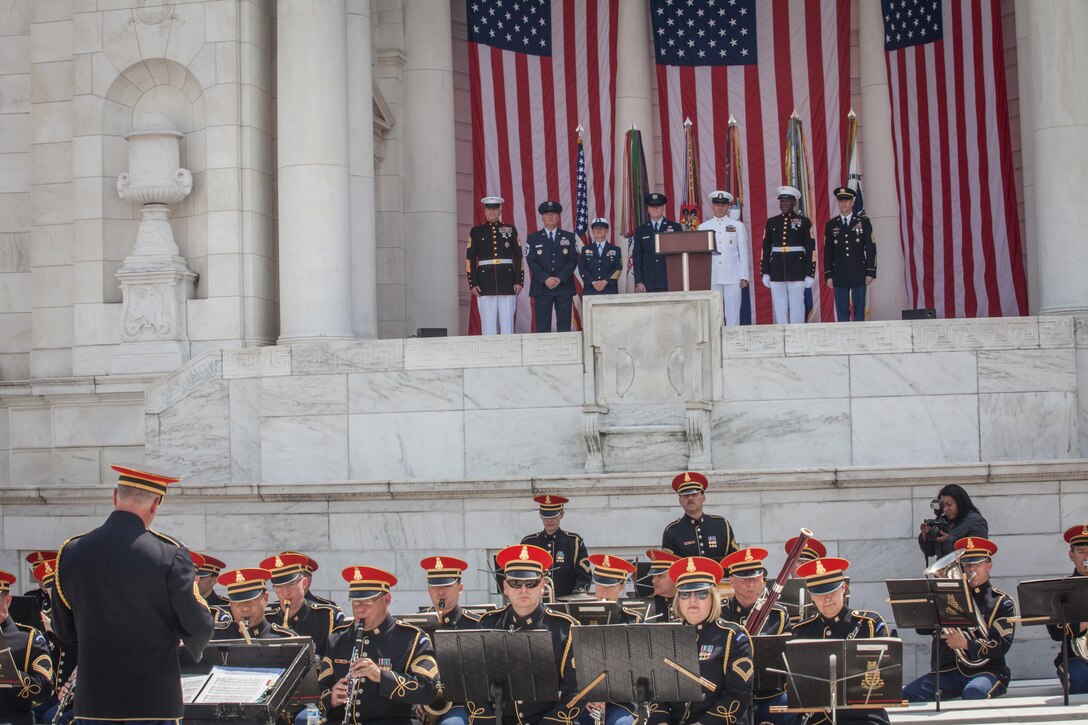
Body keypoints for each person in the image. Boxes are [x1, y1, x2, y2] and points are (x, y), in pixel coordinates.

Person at [50, 463, 214, 723]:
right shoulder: (170, 554)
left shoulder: (71, 552)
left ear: (115, 497)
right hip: (153, 704)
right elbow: (199, 625)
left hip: (94, 704)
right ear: (155, 504)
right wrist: (190, 643)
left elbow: (64, 629)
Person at [319, 566, 438, 725]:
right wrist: (331, 698)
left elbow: (428, 689)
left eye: (367, 602)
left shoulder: (412, 638)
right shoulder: (337, 639)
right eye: (355, 603)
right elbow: (320, 690)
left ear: (386, 600)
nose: (360, 610)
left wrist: (381, 676)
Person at [903, 537, 1017, 702]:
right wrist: (928, 606)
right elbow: (922, 630)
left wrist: (965, 644)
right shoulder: (948, 598)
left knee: (974, 692)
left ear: (989, 566)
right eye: (967, 564)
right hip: (950, 671)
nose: (972, 569)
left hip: (987, 670)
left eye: (977, 564)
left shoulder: (1001, 602)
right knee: (908, 694)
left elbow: (1001, 645)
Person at [476, 544, 580, 725]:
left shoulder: (564, 628)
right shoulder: (487, 625)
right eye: (515, 583)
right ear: (505, 587)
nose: (523, 589)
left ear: (542, 586)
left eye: (530, 583)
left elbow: (575, 691)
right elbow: (472, 685)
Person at [647, 556, 753, 725]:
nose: (693, 600)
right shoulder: (667, 634)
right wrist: (660, 721)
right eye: (685, 594)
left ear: (713, 598)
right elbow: (656, 693)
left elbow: (738, 695)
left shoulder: (733, 636)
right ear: (678, 599)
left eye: (701, 593)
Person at [793, 557, 890, 725]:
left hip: (863, 716)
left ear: (843, 588)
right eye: (820, 594)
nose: (827, 599)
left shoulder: (869, 624)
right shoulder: (801, 631)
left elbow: (885, 676)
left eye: (831, 592)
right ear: (811, 597)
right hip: (818, 718)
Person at [719, 548, 791, 725]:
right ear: (732, 580)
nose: (751, 584)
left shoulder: (778, 614)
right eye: (745, 579)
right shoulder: (719, 613)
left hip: (769, 693)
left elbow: (789, 661)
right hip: (729, 693)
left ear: (763, 579)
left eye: (755, 578)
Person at [419, 555, 482, 725]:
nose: (441, 592)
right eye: (435, 586)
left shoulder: (477, 625)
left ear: (460, 588)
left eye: (447, 585)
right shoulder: (415, 626)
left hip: (461, 704)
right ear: (428, 590)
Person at [260, 553, 342, 655]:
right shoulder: (267, 619)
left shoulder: (327, 616)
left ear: (304, 583)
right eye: (279, 586)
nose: (285, 592)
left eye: (290, 584)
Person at [0, 569, 53, 725]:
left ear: (7, 601)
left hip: (12, 719)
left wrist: (11, 674)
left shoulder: (29, 638)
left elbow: (44, 690)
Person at [467, 195, 523, 335]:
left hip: (507, 281)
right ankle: (490, 355)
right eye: (489, 209)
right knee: (488, 325)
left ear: (500, 211)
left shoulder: (510, 230)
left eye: (495, 209)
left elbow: (518, 256)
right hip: (485, 283)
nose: (492, 212)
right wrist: (473, 283)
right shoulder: (476, 232)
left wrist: (518, 280)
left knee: (507, 325)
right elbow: (470, 259)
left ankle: (509, 354)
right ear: (485, 212)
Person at [760, 185, 815, 324]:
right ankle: (782, 334)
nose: (784, 203)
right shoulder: (772, 222)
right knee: (779, 306)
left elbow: (810, 249)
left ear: (794, 202)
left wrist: (810, 273)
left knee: (797, 306)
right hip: (777, 269)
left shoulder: (804, 221)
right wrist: (765, 271)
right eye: (782, 201)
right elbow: (766, 249)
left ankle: (797, 335)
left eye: (787, 201)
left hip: (797, 269)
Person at [520, 494, 592, 598]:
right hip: (535, 604)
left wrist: (576, 596)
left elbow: (584, 576)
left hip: (564, 604)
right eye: (546, 516)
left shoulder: (573, 542)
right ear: (540, 516)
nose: (549, 521)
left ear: (561, 514)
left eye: (553, 516)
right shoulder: (529, 543)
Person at [823, 186, 876, 321]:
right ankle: (844, 338)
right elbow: (828, 251)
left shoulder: (863, 222)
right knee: (842, 310)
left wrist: (870, 271)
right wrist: (828, 275)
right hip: (839, 273)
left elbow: (871, 248)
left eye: (847, 200)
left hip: (859, 271)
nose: (843, 203)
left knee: (859, 310)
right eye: (841, 200)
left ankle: (860, 338)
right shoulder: (831, 224)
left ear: (853, 202)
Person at [698, 191, 750, 326]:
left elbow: (743, 252)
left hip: (733, 275)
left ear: (728, 207)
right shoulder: (703, 227)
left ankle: (733, 344)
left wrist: (744, 276)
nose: (720, 208)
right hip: (712, 275)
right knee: (715, 315)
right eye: (717, 204)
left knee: (733, 317)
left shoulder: (738, 226)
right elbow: (700, 256)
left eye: (723, 205)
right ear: (712, 206)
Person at [661, 471, 739, 560]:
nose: (690, 498)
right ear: (680, 501)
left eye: (694, 494)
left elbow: (734, 559)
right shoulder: (672, 531)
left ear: (703, 498)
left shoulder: (721, 525)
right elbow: (668, 566)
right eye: (685, 495)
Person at [526, 200, 578, 332]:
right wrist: (545, 279)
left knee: (564, 326)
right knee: (542, 327)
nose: (550, 217)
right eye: (547, 214)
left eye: (553, 214)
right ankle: (543, 352)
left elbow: (573, 259)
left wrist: (560, 278)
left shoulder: (569, 237)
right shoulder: (533, 238)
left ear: (558, 217)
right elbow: (531, 261)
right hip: (542, 287)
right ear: (542, 217)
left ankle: (565, 352)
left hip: (564, 287)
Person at [1048, 525, 1088, 694]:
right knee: (1079, 683)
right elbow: (1056, 632)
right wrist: (1083, 624)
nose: (1087, 556)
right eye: (1081, 551)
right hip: (1076, 657)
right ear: (1071, 556)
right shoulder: (1062, 590)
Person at [212, 568, 296, 640]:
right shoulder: (214, 637)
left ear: (266, 599)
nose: (245, 608)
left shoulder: (285, 639)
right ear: (230, 604)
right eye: (238, 603)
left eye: (250, 601)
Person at [918, 484, 989, 560]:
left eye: (949, 505)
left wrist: (948, 540)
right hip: (943, 571)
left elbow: (976, 552)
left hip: (965, 570)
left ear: (960, 503)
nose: (945, 509)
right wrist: (926, 535)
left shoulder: (975, 521)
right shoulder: (942, 520)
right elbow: (930, 552)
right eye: (943, 506)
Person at [632, 192, 682, 292]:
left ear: (663, 208)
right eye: (652, 206)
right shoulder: (640, 231)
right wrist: (639, 281)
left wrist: (679, 279)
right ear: (648, 209)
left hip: (670, 279)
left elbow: (679, 255)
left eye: (658, 206)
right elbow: (637, 257)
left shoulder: (675, 227)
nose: (655, 209)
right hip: (648, 282)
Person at [579, 217, 623, 296]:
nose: (598, 231)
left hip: (609, 290)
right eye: (596, 229)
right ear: (592, 231)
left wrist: (605, 282)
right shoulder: (585, 250)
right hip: (591, 290)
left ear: (607, 230)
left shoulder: (616, 250)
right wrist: (593, 282)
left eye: (601, 228)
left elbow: (618, 269)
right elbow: (582, 269)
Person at [644, 549, 679, 622]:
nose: (653, 581)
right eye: (653, 576)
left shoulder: (688, 602)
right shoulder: (647, 605)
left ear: (675, 577)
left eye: (660, 576)